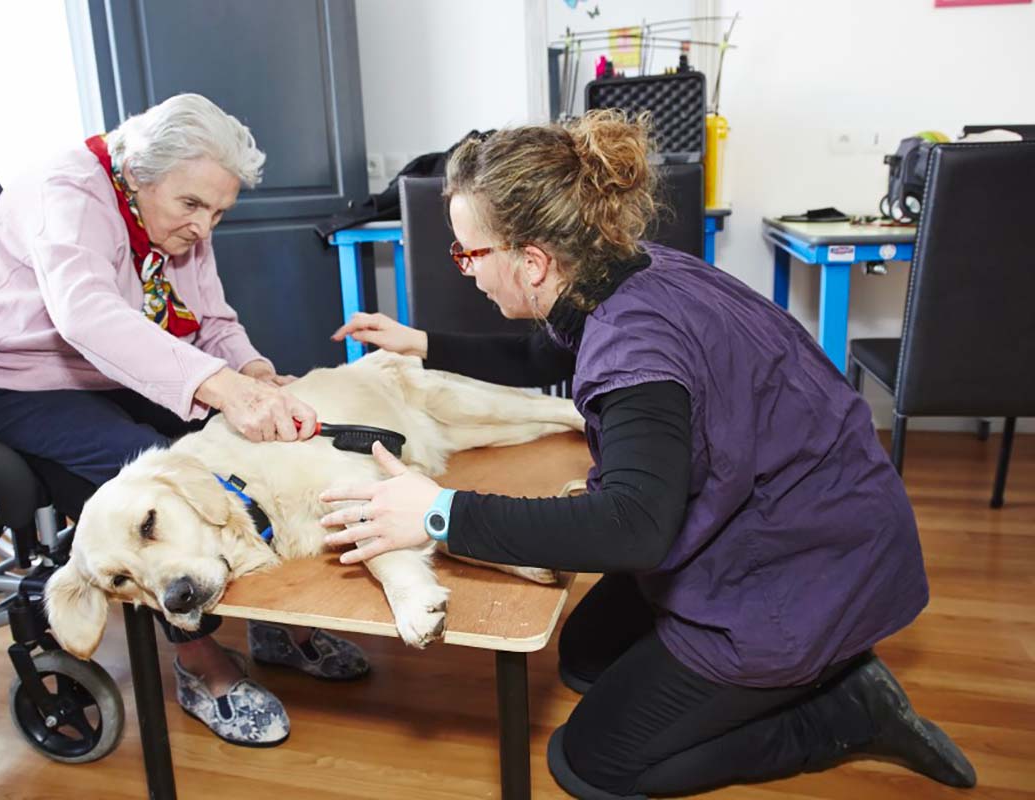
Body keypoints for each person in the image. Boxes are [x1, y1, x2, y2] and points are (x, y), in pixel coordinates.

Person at [318, 110, 977, 797]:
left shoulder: (635, 354)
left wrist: (439, 513)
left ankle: (841, 712)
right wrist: (422, 343)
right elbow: (545, 351)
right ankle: (806, 675)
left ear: (532, 260)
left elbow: (634, 525)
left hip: (803, 568)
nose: (463, 272)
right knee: (583, 658)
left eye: (468, 254)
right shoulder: (633, 270)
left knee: (588, 763)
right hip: (815, 517)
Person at [0, 93, 368, 747]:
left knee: (232, 447)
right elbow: (87, 316)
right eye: (191, 205)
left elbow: (210, 318)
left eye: (218, 210)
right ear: (136, 172)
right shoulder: (67, 191)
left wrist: (254, 377)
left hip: (98, 371)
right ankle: (200, 663)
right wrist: (218, 387)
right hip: (3, 378)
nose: (203, 225)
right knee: (152, 475)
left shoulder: (179, 218)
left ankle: (276, 621)